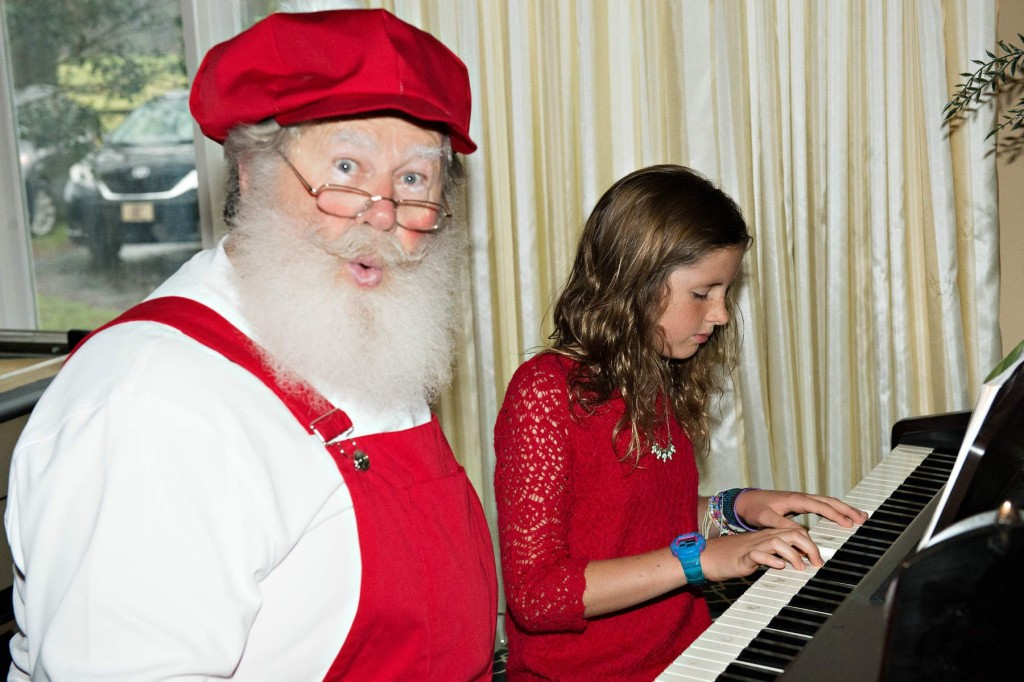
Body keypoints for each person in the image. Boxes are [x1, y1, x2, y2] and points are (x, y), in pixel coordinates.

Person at [5, 8, 497, 681]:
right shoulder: (155, 404)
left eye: (414, 180)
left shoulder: (364, 335)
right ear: (250, 171)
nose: (382, 213)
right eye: (347, 166)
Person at [493, 164, 868, 680]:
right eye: (702, 293)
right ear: (634, 279)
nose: (720, 315)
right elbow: (538, 595)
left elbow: (634, 522)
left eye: (726, 294)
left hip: (689, 655)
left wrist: (737, 508)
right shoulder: (544, 392)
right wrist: (700, 561)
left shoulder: (658, 371)